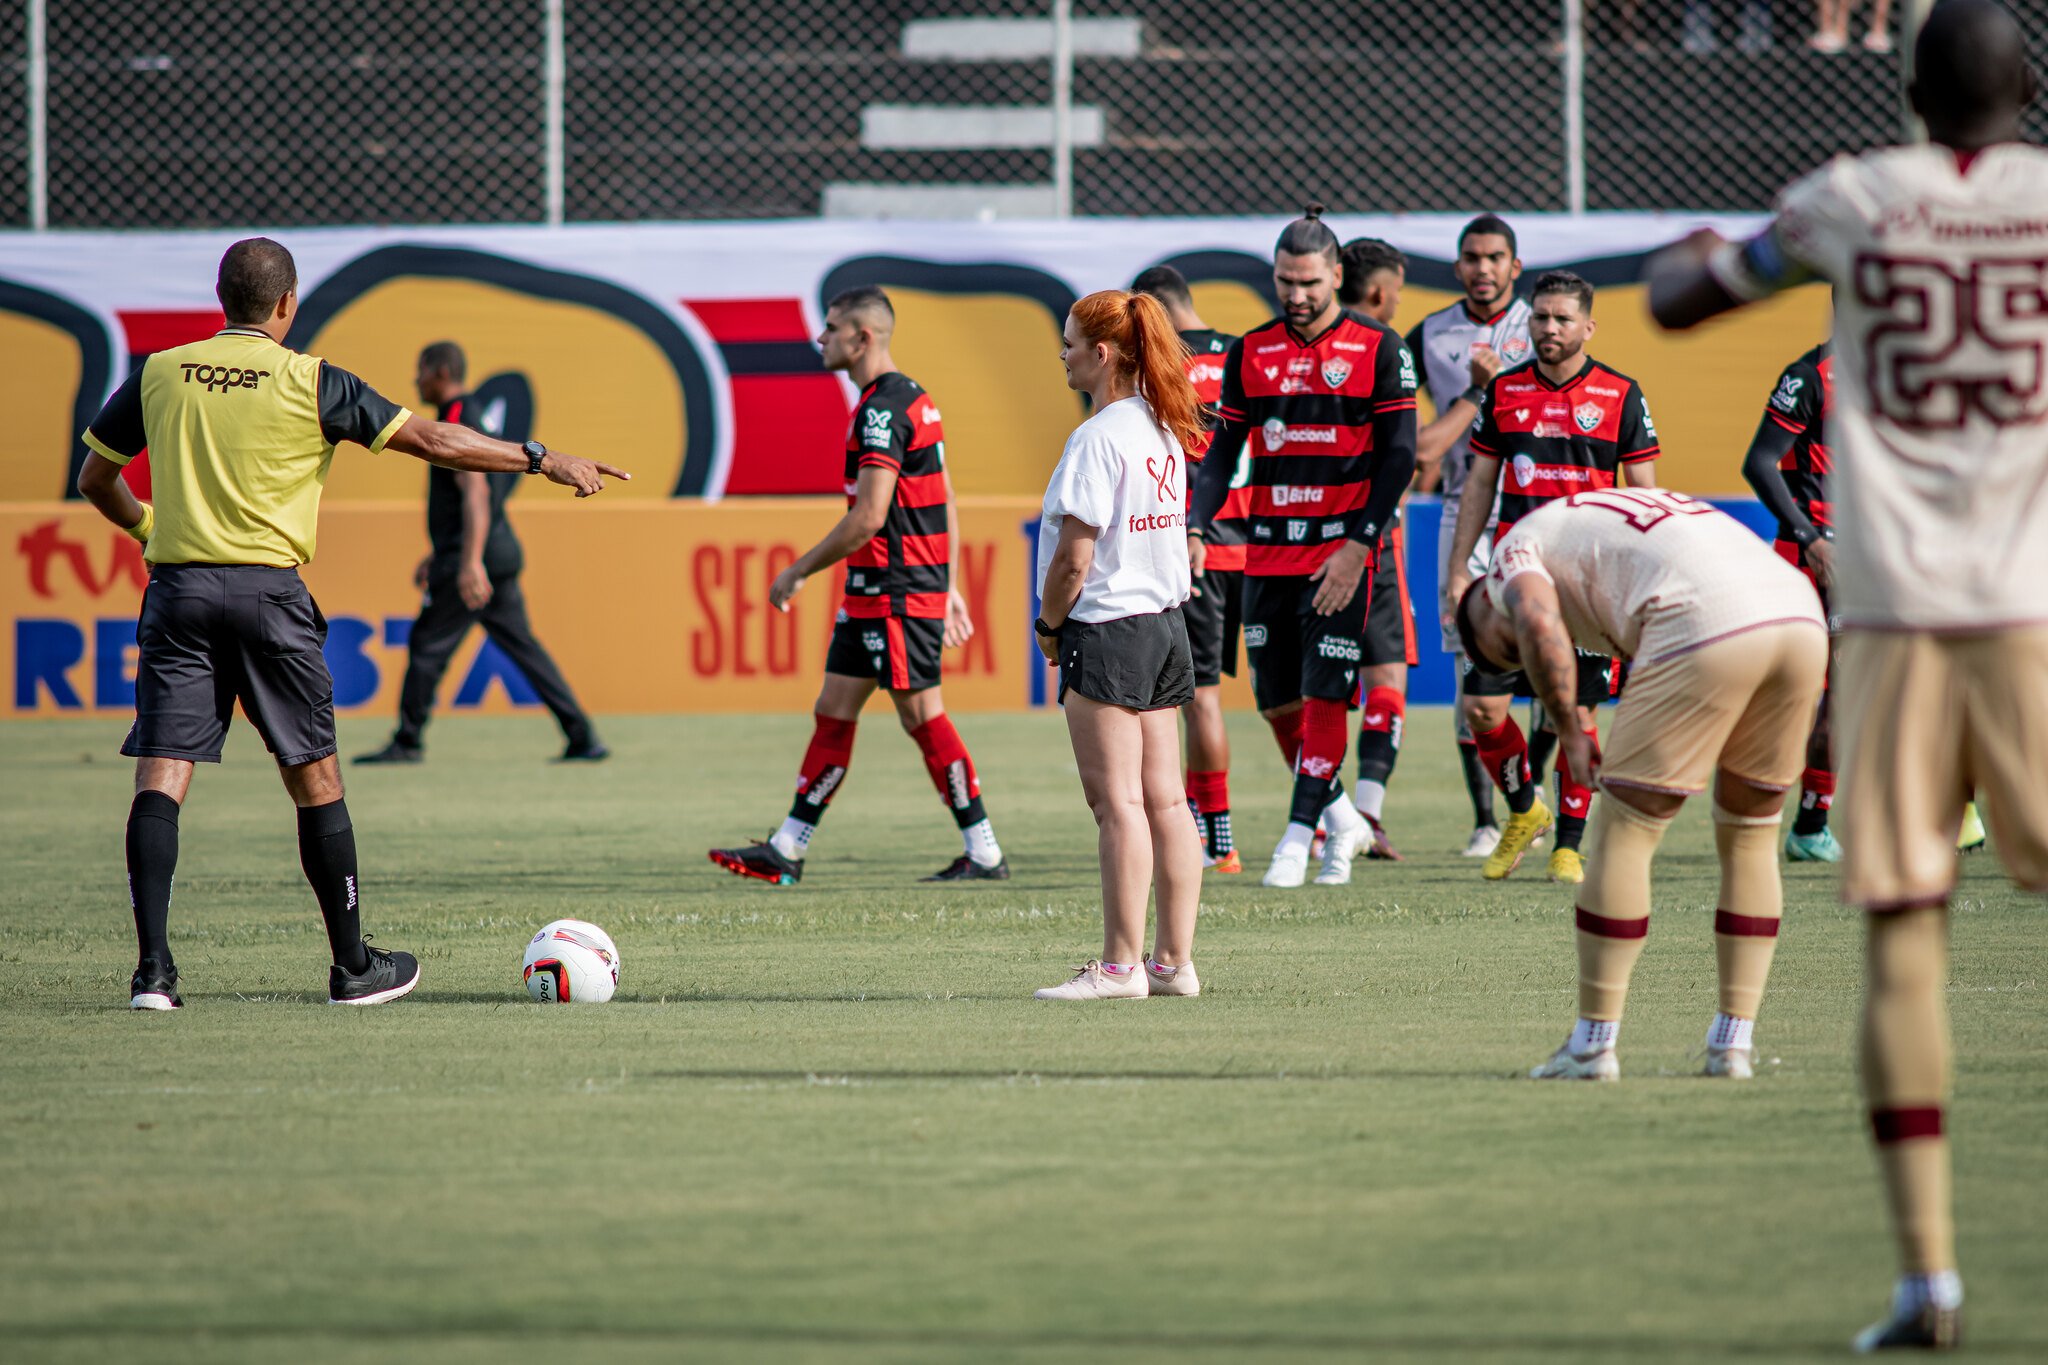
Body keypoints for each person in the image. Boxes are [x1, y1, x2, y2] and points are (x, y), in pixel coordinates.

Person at [1645, 2, 2048, 1346]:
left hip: (1892, 618)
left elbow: (1688, 294)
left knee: (1907, 942)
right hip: (2037, 609)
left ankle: (1928, 1278)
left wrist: (1696, 254)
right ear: (2028, 91)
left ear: (1912, 94)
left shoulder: (1856, 195)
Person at [72, 237, 626, 1010]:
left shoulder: (162, 371)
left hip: (178, 592)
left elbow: (96, 477)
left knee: (162, 775)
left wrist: (147, 529)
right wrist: (539, 456)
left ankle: (154, 974)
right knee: (315, 779)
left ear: (222, 299)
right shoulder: (312, 380)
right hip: (268, 596)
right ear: (287, 303)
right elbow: (436, 440)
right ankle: (353, 966)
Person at [1455, 491, 1825, 1084]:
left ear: (1477, 602)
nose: (1520, 657)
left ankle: (1592, 1044)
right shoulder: (1600, 521)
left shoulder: (1510, 555)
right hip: (1799, 615)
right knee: (1753, 836)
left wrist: (1571, 724)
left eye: (1504, 651)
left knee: (1626, 832)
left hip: (1706, 617)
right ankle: (1733, 1043)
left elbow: (1533, 617)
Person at [708, 286, 1005, 885]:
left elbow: (869, 516)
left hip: (895, 589)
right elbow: (942, 496)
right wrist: (947, 585)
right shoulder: (911, 399)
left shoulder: (881, 410)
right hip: (882, 588)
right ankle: (787, 849)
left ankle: (986, 852)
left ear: (862, 338)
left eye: (832, 328)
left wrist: (797, 570)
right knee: (833, 709)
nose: (821, 338)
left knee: (923, 715)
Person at [1190, 206, 1418, 888]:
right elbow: (1221, 453)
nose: (1296, 294)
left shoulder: (1379, 348)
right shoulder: (1250, 351)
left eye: (1310, 282)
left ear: (1337, 275)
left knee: (1325, 694)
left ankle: (1297, 837)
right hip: (1266, 553)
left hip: (1340, 555)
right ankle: (1343, 813)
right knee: (1276, 702)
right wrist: (1197, 526)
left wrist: (1358, 546)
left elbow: (1400, 456)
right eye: (1285, 280)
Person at [1445, 271, 1661, 885]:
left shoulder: (1621, 394)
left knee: (1579, 713)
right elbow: (1480, 486)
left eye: (1563, 319)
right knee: (1482, 708)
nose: (1549, 328)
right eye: (1540, 317)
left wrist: (1640, 582)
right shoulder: (1505, 392)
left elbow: (1645, 497)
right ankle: (1524, 811)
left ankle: (1569, 845)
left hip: (1588, 586)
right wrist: (1462, 569)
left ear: (1588, 327)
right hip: (1512, 580)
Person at [1032, 289, 1206, 1001]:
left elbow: (1075, 558)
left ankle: (1118, 965)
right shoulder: (1162, 426)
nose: (1064, 354)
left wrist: (1047, 626)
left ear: (1102, 354)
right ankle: (1172, 962)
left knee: (1119, 807)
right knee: (1167, 802)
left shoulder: (1098, 436)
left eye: (1071, 342)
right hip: (1165, 627)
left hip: (1108, 629)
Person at [355, 341, 607, 765]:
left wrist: (469, 561)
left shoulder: (456, 416)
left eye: (420, 370)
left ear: (439, 373)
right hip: (492, 551)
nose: (416, 379)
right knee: (523, 647)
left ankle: (407, 741)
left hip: (476, 558)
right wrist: (441, 552)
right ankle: (582, 736)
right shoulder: (468, 413)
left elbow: (475, 492)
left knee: (427, 645)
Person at [1410, 214, 1535, 860]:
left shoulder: (1545, 323)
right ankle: (1488, 818)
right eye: (1471, 257)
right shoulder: (1431, 334)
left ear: (1515, 266)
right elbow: (1415, 438)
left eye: (1495, 257)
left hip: (1535, 510)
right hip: (1464, 509)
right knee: (1469, 663)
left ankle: (1538, 799)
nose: (1483, 268)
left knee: (1546, 656)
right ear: (1458, 267)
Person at [1131, 264, 1242, 874]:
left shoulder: (1162, 367)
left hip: (1196, 546)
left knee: (1198, 699)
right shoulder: (1248, 356)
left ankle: (1216, 839)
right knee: (1289, 700)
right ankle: (1323, 816)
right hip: (1266, 541)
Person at [1337, 237, 1420, 861]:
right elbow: (1413, 453)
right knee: (1384, 675)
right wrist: (1479, 396)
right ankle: (1363, 811)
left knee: (1313, 687)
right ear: (1380, 291)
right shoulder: (1384, 348)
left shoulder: (1285, 346)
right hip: (1370, 536)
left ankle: (1325, 815)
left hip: (1291, 534)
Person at [1741, 340, 1841, 862]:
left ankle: (1811, 822)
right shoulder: (1809, 376)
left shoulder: (1904, 372)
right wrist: (1812, 539)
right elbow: (1759, 463)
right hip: (1813, 555)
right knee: (1795, 693)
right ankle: (1756, 816)